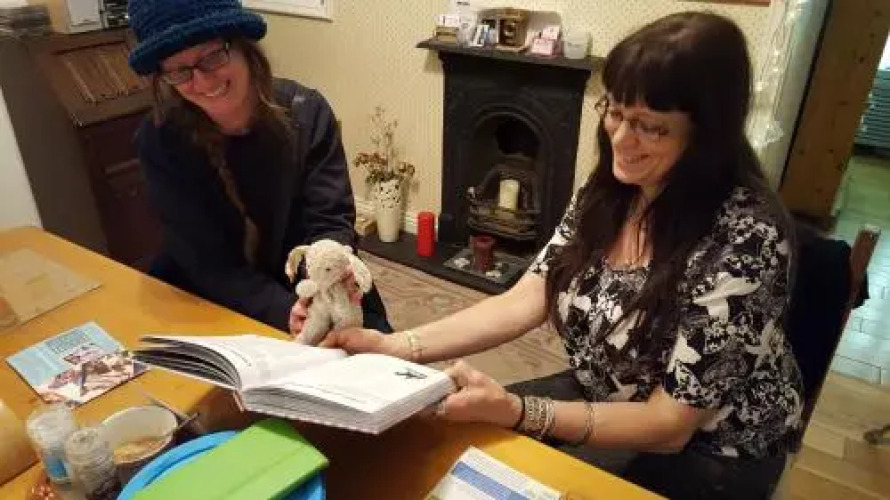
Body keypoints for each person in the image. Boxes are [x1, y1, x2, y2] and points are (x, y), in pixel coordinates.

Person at [320, 12, 803, 500]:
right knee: (442, 443)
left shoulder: (747, 241)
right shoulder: (612, 190)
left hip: (710, 450)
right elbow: (528, 297)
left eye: (650, 127)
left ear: (707, 135)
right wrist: (397, 345)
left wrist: (521, 411)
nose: (620, 139)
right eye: (614, 111)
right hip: (604, 390)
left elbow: (668, 425)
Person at [126, 0, 391, 334]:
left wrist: (319, 290)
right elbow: (202, 259)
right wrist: (280, 310)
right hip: (213, 293)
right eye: (180, 71)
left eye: (212, 56)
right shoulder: (159, 140)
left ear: (243, 46)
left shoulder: (307, 112)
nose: (203, 82)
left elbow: (330, 221)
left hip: (312, 281)